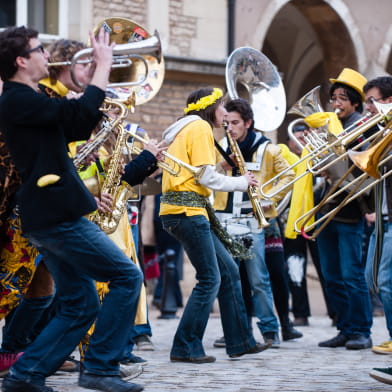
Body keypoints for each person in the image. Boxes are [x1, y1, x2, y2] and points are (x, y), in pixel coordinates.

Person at [0, 25, 144, 392]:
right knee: (127, 278)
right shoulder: (17, 98)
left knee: (80, 303)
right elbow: (78, 110)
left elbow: (79, 120)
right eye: (39, 50)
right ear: (21, 60)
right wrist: (102, 65)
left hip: (54, 211)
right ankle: (99, 368)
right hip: (54, 214)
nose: (47, 56)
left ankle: (26, 374)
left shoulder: (31, 98)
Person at [159, 87, 270, 363]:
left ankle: (240, 341)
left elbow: (196, 174)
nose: (225, 112)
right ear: (211, 108)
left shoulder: (188, 128)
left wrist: (222, 168)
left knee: (229, 271)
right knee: (210, 279)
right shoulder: (199, 128)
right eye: (222, 107)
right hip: (188, 211)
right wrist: (241, 182)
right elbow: (206, 178)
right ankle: (185, 346)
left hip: (188, 210)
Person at [213, 97, 302, 346]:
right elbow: (205, 175)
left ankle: (270, 329)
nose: (229, 128)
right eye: (226, 122)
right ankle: (235, 330)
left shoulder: (268, 148)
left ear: (248, 123)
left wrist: (269, 198)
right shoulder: (221, 145)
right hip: (225, 218)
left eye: (235, 123)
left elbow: (290, 175)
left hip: (253, 219)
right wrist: (221, 164)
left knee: (258, 278)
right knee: (230, 279)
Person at [316, 68, 373, 350]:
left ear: (355, 103)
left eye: (342, 98)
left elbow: (361, 172)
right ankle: (345, 327)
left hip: (350, 210)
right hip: (327, 208)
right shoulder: (332, 127)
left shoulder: (362, 128)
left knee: (351, 275)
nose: (336, 103)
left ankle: (361, 330)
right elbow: (319, 168)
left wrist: (333, 158)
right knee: (332, 275)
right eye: (334, 98)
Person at [281, 123, 334, 327]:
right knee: (295, 268)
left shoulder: (321, 160)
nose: (299, 143)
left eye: (303, 139)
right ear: (289, 143)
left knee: (325, 268)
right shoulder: (285, 162)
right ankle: (300, 314)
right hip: (293, 221)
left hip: (319, 221)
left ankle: (335, 312)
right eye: (296, 140)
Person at [361, 76, 392, 384]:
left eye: (373, 100)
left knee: (385, 280)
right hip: (382, 220)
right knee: (374, 279)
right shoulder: (378, 132)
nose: (367, 107)